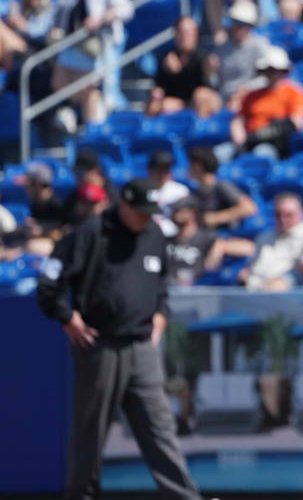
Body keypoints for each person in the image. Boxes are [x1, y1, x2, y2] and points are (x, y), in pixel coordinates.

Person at [35, 178, 200, 500]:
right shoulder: (90, 233)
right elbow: (50, 280)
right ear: (122, 204)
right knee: (90, 432)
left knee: (160, 428)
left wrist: (161, 313)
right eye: (139, 212)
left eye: (149, 212)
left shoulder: (154, 235)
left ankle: (184, 497)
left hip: (141, 346)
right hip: (99, 345)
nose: (144, 218)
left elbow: (161, 283)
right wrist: (66, 316)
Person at [51, 0, 134, 127]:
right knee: (59, 82)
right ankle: (86, 110)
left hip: (100, 44)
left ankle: (99, 120)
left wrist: (102, 18)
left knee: (96, 89)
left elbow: (127, 9)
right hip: (76, 41)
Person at [227, 46, 303, 160]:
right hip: (249, 141)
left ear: (283, 71)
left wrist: (268, 132)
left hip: (275, 145)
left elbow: (297, 123)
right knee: (220, 153)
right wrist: (240, 140)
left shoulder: (295, 93)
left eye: (276, 70)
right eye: (269, 70)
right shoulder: (252, 95)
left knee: (261, 154)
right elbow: (239, 119)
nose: (273, 74)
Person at [237, 192, 303, 291]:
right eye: (278, 215)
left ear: (301, 213)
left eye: (288, 215)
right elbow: (250, 266)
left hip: (287, 294)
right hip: (253, 290)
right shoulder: (265, 237)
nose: (282, 219)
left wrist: (285, 281)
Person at [147, 16, 222, 118]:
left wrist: (209, 71)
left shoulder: (204, 57)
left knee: (200, 95)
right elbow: (159, 88)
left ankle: (200, 131)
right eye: (182, 32)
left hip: (203, 102)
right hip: (179, 102)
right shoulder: (167, 58)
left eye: (189, 32)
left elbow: (213, 86)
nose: (185, 36)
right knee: (157, 105)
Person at [207, 0, 271, 101]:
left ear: (250, 26)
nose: (237, 28)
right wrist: (211, 71)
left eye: (242, 24)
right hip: (223, 98)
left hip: (249, 97)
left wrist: (247, 88)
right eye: (235, 23)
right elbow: (215, 83)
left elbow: (267, 78)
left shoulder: (260, 46)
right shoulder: (221, 49)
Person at [186, 147, 258, 230]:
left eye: (190, 164)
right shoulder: (196, 192)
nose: (187, 168)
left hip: (225, 237)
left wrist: (216, 218)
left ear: (199, 166)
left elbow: (249, 208)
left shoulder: (222, 186)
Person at [0, 0, 55, 68]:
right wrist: (10, 20)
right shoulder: (20, 6)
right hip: (16, 49)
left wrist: (22, 25)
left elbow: (41, 35)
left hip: (35, 51)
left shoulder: (48, 10)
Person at [166, 196, 225, 286]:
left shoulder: (207, 238)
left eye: (179, 211)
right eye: (174, 211)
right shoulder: (168, 240)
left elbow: (247, 248)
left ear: (192, 213)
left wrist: (218, 249)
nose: (175, 214)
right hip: (171, 288)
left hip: (197, 289)